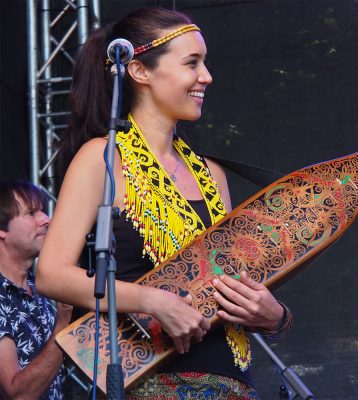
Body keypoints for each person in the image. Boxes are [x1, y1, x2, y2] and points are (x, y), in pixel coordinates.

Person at [36, 7, 292, 399]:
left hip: (231, 382)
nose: (206, 76)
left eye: (204, 63)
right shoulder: (101, 157)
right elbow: (51, 274)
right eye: (192, 63)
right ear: (139, 72)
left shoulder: (212, 175)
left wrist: (275, 317)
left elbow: (226, 280)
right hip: (146, 382)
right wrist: (152, 300)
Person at [0, 180, 73, 399]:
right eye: (31, 213)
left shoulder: (41, 288)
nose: (46, 219)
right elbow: (16, 394)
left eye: (42, 211)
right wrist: (63, 325)